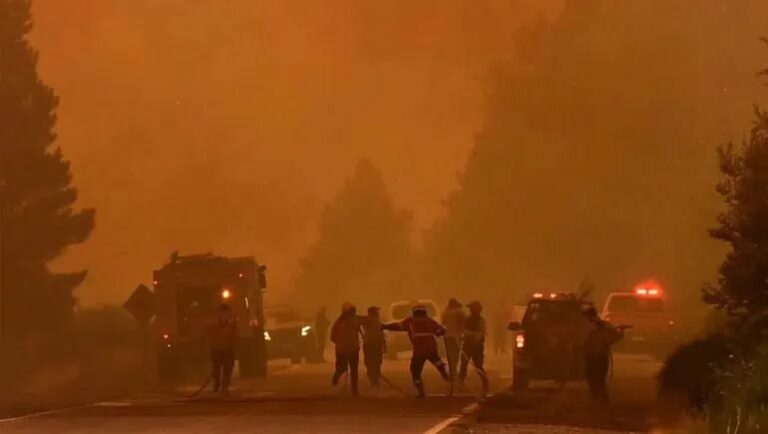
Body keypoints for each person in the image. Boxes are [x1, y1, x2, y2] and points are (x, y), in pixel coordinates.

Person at [383, 304, 450, 398]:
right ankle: (445, 374)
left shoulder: (410, 321)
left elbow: (398, 326)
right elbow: (441, 330)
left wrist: (384, 326)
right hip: (431, 348)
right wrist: (440, 332)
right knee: (436, 360)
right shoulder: (430, 321)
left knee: (415, 371)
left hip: (419, 350)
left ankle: (420, 392)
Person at [583, 307, 623, 402]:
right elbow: (617, 337)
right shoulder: (606, 325)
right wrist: (621, 331)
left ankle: (596, 399)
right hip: (602, 356)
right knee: (600, 379)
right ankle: (602, 399)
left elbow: (581, 341)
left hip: (591, 357)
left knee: (592, 379)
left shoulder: (586, 326)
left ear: (588, 316)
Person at [331, 302, 362, 395]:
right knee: (344, 368)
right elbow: (333, 336)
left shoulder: (352, 321)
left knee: (353, 370)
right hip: (345, 349)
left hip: (350, 349)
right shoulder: (341, 322)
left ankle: (354, 390)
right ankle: (337, 376)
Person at [459, 300, 489, 395]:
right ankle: (460, 382)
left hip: (477, 346)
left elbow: (481, 333)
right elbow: (464, 330)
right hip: (468, 345)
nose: (470, 310)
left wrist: (471, 335)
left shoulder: (481, 320)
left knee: (478, 365)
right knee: (464, 364)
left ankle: (485, 383)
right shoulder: (467, 319)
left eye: (472, 308)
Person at [208, 304, 238, 395]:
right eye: (222, 313)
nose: (224, 315)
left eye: (226, 313)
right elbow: (210, 337)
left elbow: (234, 336)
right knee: (217, 369)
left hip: (227, 350)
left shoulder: (232, 324)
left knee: (227, 369)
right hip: (217, 350)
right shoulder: (214, 324)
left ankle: (224, 388)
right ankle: (217, 385)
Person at [441, 298, 466, 382]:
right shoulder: (460, 312)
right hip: (456, 336)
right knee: (455, 354)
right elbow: (464, 323)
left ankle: (452, 371)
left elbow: (443, 323)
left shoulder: (445, 312)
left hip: (447, 335)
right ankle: (454, 371)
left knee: (449, 354)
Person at [362, 306, 385, 386]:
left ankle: (375, 379)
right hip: (372, 344)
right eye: (376, 311)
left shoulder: (375, 320)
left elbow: (381, 333)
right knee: (372, 363)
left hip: (373, 344)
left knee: (373, 363)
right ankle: (374, 380)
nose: (378, 312)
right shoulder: (370, 320)